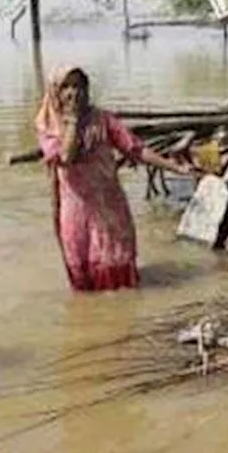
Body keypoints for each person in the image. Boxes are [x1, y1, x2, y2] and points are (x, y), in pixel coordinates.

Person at [35, 66, 198, 291]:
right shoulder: (49, 126)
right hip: (77, 215)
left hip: (111, 210)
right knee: (85, 285)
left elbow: (135, 149)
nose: (74, 92)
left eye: (79, 85)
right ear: (55, 92)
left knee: (120, 279)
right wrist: (72, 120)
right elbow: (66, 156)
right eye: (66, 87)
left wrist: (174, 167)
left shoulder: (102, 120)